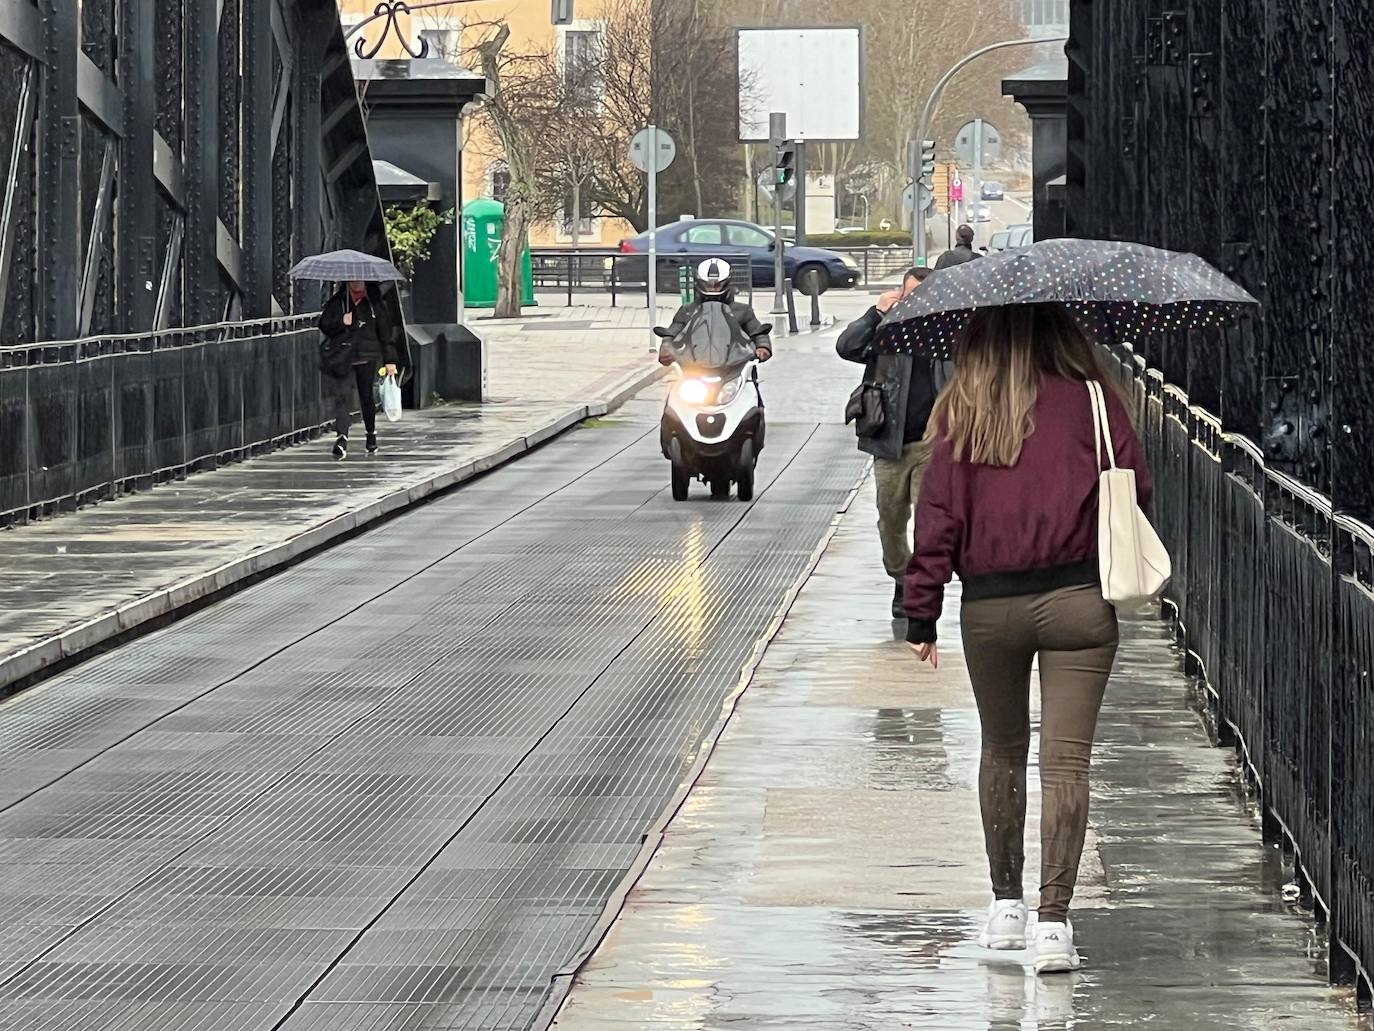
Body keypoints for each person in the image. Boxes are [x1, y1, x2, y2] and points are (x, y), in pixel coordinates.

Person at [903, 303, 1152, 974]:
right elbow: (1136, 491)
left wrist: (921, 611)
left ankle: (1006, 907)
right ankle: (1054, 924)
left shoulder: (963, 409)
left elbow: (938, 517)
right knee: (1067, 765)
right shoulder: (1095, 402)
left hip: (992, 608)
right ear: (1063, 330)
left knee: (1002, 750)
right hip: (1080, 603)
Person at [836, 267, 952, 617]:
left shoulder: (947, 334)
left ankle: (919, 587)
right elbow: (847, 347)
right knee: (890, 520)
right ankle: (901, 576)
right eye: (910, 295)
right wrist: (875, 313)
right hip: (889, 442)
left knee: (928, 521)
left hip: (932, 444)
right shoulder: (886, 332)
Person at [319, 280, 402, 460]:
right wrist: (341, 321)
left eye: (359, 279)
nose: (356, 283)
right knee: (343, 397)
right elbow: (324, 324)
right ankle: (341, 438)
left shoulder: (373, 302)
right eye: (352, 279)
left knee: (366, 397)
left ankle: (371, 434)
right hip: (344, 356)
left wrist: (390, 360)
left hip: (366, 355)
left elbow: (385, 331)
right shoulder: (339, 301)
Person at [659, 259, 772, 366]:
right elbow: (671, 333)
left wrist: (763, 347)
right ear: (700, 284)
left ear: (726, 283)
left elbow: (757, 331)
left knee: (749, 376)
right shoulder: (687, 311)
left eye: (717, 285)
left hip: (735, 365)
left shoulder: (743, 310)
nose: (712, 289)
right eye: (708, 285)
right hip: (695, 365)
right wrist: (666, 349)